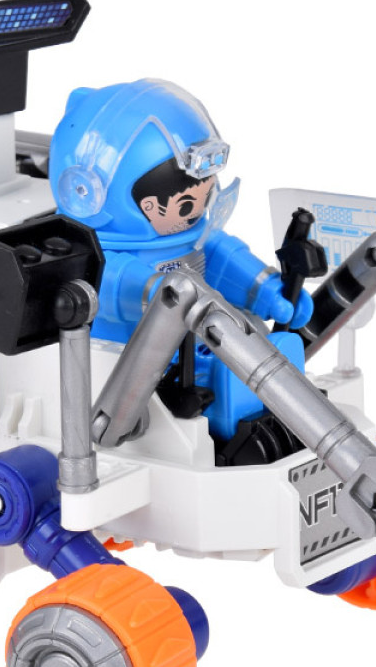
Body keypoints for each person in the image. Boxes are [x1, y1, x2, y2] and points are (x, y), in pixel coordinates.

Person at [49, 78, 312, 458]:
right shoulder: (93, 259)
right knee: (231, 374)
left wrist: (270, 291)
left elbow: (225, 260)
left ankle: (273, 424)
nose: (198, 210)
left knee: (262, 347)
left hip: (196, 346)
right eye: (185, 204)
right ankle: (239, 440)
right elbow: (117, 283)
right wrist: (159, 292)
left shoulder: (195, 239)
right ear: (88, 192)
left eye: (204, 196)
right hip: (129, 372)